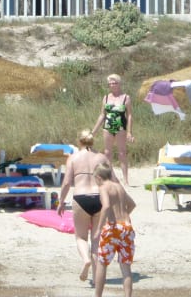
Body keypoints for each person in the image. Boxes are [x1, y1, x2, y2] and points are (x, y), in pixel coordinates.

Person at [57, 129, 118, 284]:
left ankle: (86, 260)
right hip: (100, 197)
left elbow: (66, 183)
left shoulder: (73, 158)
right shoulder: (102, 157)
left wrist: (61, 202)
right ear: (92, 141)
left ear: (79, 141)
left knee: (81, 237)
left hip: (81, 198)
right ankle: (97, 278)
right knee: (96, 239)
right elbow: (114, 180)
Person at [92, 162, 136, 297]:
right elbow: (132, 204)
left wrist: (99, 228)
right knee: (126, 267)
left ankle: (97, 296)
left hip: (112, 227)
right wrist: (126, 214)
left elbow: (105, 206)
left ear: (99, 177)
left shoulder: (104, 187)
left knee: (102, 263)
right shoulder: (119, 187)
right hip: (126, 227)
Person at [92, 74, 134, 185]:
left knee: (122, 152)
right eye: (110, 83)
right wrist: (94, 131)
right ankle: (110, 177)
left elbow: (129, 115)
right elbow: (102, 115)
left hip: (121, 127)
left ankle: (125, 179)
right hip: (108, 126)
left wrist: (130, 132)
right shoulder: (106, 97)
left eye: (114, 83)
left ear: (119, 84)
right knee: (107, 153)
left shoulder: (126, 97)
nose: (112, 85)